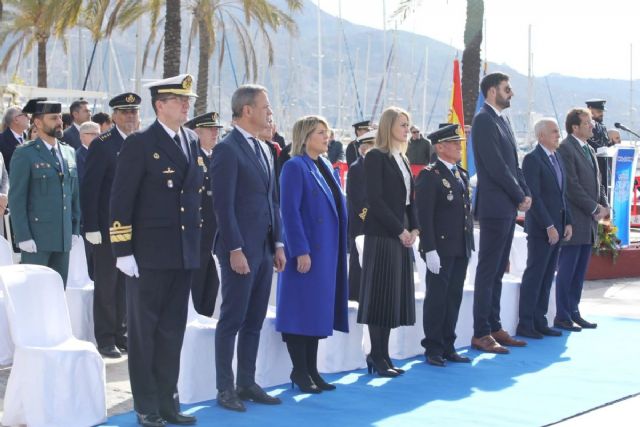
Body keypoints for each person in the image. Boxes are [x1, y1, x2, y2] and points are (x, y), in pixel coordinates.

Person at [109, 75, 203, 427]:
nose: (186, 105)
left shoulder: (191, 140)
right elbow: (121, 199)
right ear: (159, 105)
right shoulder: (139, 143)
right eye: (179, 100)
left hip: (182, 253)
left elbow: (191, 199)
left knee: (171, 332)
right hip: (147, 255)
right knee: (145, 332)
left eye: (187, 100)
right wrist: (123, 250)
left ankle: (169, 401)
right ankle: (146, 404)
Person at [210, 84, 286, 413]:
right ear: (247, 110)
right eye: (265, 106)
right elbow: (223, 207)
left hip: (265, 248)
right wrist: (235, 248)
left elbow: (273, 201)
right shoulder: (227, 149)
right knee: (232, 319)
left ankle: (247, 381)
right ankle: (225, 388)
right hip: (239, 250)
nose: (270, 112)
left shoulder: (266, 149)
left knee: (254, 319)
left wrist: (279, 243)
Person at [277, 115, 349, 393]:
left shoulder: (325, 166)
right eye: (321, 133)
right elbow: (290, 212)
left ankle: (312, 369)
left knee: (317, 312)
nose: (327, 137)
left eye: (327, 132)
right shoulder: (295, 167)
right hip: (307, 252)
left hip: (327, 252)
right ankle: (300, 370)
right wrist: (300, 250)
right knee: (301, 311)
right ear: (306, 136)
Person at [471, 72, 531, 354]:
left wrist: (525, 192)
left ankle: (494, 326)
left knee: (497, 270)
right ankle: (481, 332)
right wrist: (518, 195)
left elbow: (513, 163)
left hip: (506, 205)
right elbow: (495, 165)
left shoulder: (501, 120)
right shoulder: (483, 120)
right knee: (488, 270)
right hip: (495, 206)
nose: (512, 93)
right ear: (492, 91)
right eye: (507, 89)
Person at [357, 106, 418, 377]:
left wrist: (414, 228)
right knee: (379, 298)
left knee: (393, 297)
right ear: (389, 126)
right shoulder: (376, 157)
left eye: (408, 124)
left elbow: (409, 199)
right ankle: (376, 355)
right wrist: (399, 230)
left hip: (401, 234)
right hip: (383, 235)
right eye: (402, 124)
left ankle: (385, 354)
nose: (407, 129)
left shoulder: (402, 159)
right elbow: (376, 201)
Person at [82, 92, 141, 359]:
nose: (130, 117)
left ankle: (122, 333)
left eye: (134, 112)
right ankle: (105, 337)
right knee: (107, 283)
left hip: (135, 227)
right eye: (125, 112)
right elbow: (90, 187)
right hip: (107, 228)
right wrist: (91, 225)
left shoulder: (142, 142)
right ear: (115, 115)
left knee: (127, 283)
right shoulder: (103, 144)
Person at [415, 124, 474, 367]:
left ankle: (449, 344)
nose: (459, 146)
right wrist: (428, 249)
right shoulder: (430, 175)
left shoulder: (460, 174)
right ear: (440, 147)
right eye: (454, 142)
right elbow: (424, 215)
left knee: (453, 297)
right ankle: (433, 347)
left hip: (460, 247)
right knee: (437, 298)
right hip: (439, 248)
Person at [8, 100, 81, 287]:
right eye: (53, 118)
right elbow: (17, 199)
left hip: (63, 238)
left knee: (57, 293)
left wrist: (74, 229)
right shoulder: (25, 154)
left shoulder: (69, 152)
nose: (60, 121)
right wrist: (23, 236)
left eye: (59, 117)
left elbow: (74, 195)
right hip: (37, 239)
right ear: (38, 123)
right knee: (35, 294)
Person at [555, 108, 609, 332]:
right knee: (567, 270)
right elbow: (571, 186)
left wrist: (604, 205)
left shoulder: (588, 148)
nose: (592, 126)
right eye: (587, 123)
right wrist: (593, 207)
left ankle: (574, 310)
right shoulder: (566, 149)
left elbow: (598, 182)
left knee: (579, 272)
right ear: (574, 127)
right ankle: (562, 314)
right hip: (575, 219)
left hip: (590, 222)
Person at [517, 118, 572, 339]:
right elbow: (535, 196)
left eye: (558, 131)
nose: (558, 135)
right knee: (535, 274)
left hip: (558, 226)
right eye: (554, 132)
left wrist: (567, 221)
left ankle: (540, 321)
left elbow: (561, 194)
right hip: (542, 228)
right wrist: (549, 224)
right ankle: (526, 323)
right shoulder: (532, 159)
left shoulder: (557, 157)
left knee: (548, 274)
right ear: (541, 136)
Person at [184, 111, 223, 317]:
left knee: (212, 283)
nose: (215, 133)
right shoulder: (192, 157)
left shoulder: (215, 157)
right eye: (211, 129)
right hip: (198, 233)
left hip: (214, 234)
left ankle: (205, 320)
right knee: (196, 285)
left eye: (217, 129)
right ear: (197, 133)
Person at [346, 129, 375, 301]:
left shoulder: (376, 166)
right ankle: (354, 295)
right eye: (372, 145)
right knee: (357, 261)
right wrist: (369, 217)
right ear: (363, 149)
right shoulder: (356, 168)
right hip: (361, 222)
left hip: (375, 221)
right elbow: (357, 199)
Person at [586, 99, 612, 198]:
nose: (602, 114)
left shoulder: (602, 126)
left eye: (602, 112)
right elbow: (588, 144)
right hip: (592, 166)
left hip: (604, 166)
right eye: (599, 112)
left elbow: (604, 144)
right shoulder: (586, 126)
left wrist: (612, 145)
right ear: (590, 110)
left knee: (604, 194)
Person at [0, 106, 29, 173]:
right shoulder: (1, 140)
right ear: (16, 119)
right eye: (26, 115)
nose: (29, 118)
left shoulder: (30, 139)